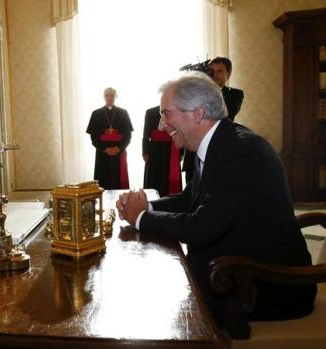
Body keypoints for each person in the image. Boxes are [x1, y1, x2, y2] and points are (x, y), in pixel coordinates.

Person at [116, 72, 315, 326]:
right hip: (231, 267)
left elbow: (200, 227)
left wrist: (142, 218)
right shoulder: (219, 142)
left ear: (197, 113)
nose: (161, 125)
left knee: (153, 310)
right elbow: (191, 198)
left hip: (265, 285)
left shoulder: (242, 152)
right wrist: (147, 206)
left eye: (166, 113)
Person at [183, 56, 245, 182]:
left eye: (220, 71)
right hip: (194, 152)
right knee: (191, 194)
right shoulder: (197, 93)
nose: (215, 75)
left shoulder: (235, 94)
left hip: (220, 150)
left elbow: (225, 114)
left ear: (228, 74)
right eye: (212, 71)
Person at [86, 87, 133, 189]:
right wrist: (105, 149)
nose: (109, 98)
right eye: (107, 95)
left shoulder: (123, 113)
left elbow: (128, 136)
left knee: (118, 183)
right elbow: (94, 137)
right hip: (102, 154)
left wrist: (119, 148)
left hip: (119, 153)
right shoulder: (96, 114)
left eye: (112, 95)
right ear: (104, 97)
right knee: (103, 182)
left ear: (115, 97)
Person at [142, 105, 182, 196]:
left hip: (171, 150)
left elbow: (181, 131)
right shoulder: (150, 112)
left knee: (169, 180)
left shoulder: (177, 110)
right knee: (154, 178)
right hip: (154, 151)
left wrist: (181, 152)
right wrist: (145, 152)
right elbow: (145, 134)